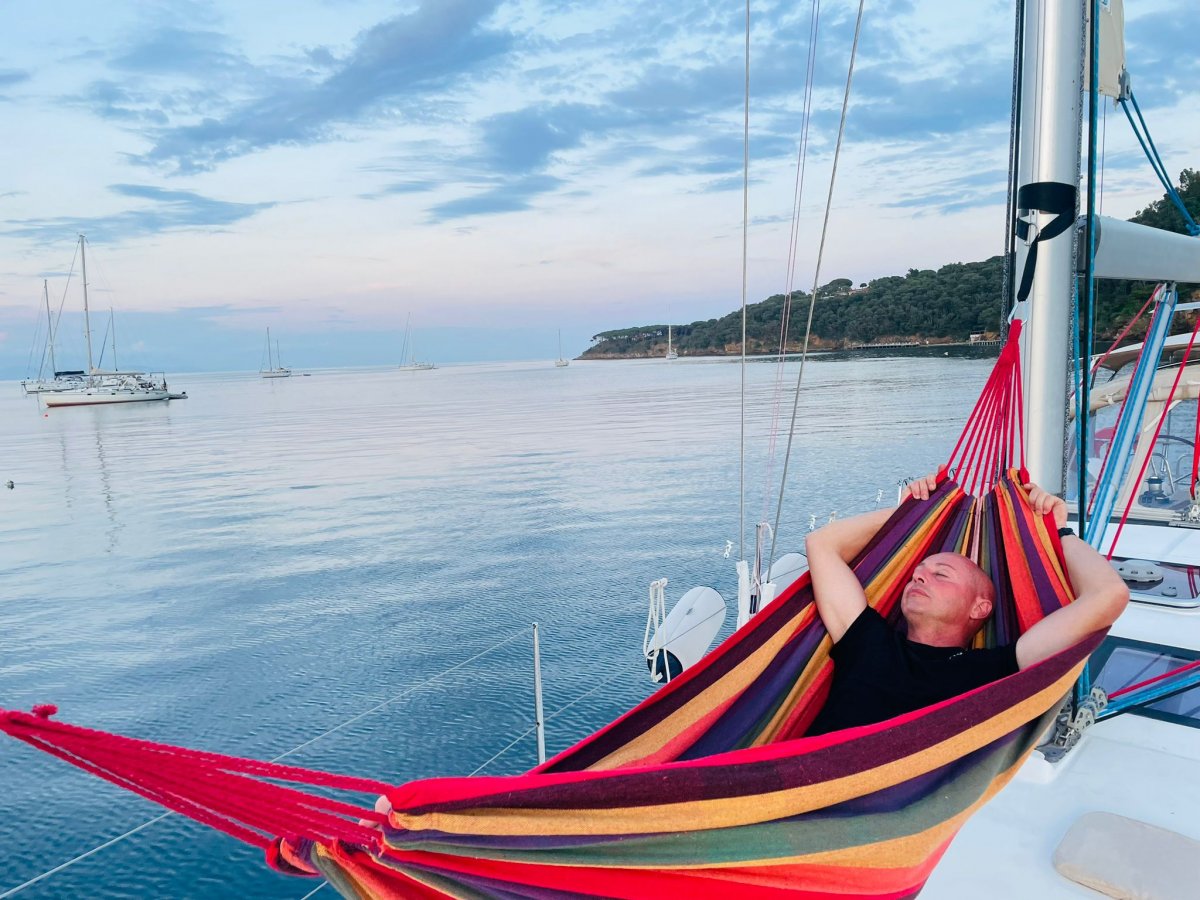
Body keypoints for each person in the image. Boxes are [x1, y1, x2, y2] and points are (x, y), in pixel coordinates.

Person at [804, 473, 1129, 735]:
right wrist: (911, 516)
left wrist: (1059, 529)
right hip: (800, 789)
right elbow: (821, 543)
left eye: (940, 574)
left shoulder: (996, 671)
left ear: (980, 608)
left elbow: (1109, 595)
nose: (918, 577)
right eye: (917, 573)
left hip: (887, 792)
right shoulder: (867, 639)